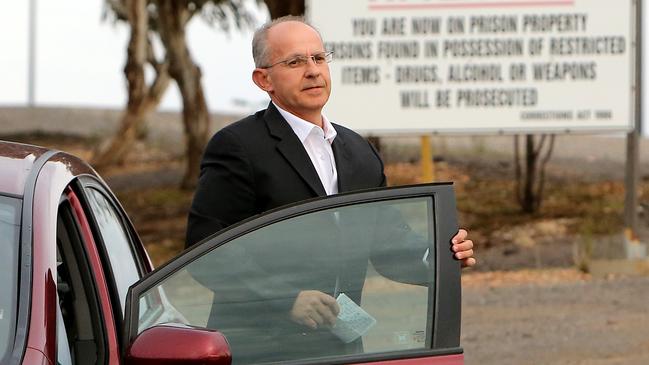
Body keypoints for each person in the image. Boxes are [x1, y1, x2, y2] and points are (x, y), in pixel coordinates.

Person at [186, 15, 475, 362]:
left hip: (342, 350)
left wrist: (442, 255)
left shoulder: (359, 151)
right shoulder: (237, 147)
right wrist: (286, 299)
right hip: (261, 351)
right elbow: (207, 251)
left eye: (319, 58)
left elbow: (389, 243)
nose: (312, 70)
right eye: (294, 62)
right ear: (264, 79)